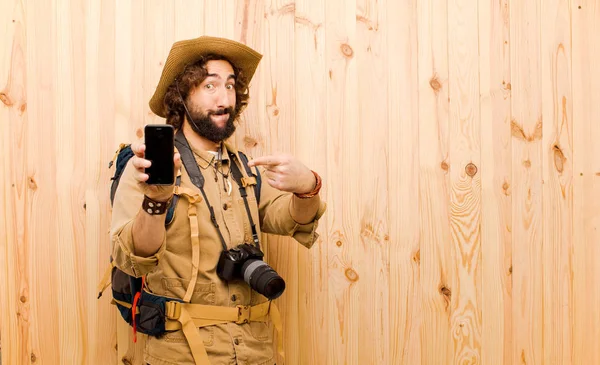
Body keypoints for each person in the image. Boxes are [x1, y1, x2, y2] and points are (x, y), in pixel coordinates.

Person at [109, 35, 326, 365]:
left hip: (256, 352)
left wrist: (307, 186)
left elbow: (292, 219)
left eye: (230, 85)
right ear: (181, 95)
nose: (225, 97)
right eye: (210, 86)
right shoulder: (150, 168)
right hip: (182, 354)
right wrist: (156, 201)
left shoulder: (243, 168)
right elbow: (134, 258)